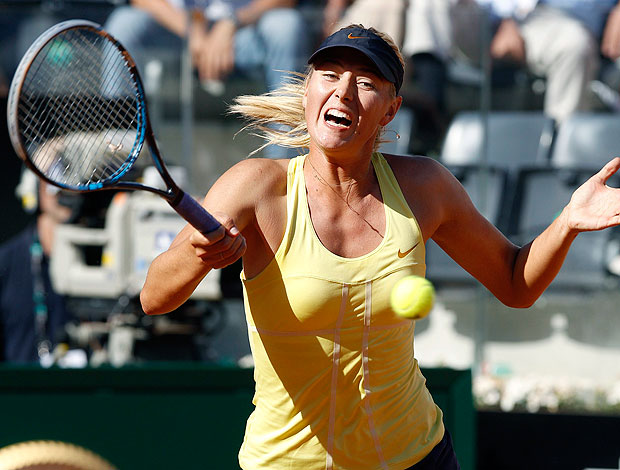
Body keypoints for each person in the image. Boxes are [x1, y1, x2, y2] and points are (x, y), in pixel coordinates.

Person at [140, 24, 620, 469]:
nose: (344, 91)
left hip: (415, 456)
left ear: (391, 109)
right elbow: (154, 298)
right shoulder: (254, 187)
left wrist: (568, 222)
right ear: (309, 89)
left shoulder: (425, 186)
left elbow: (517, 284)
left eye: (367, 82)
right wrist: (196, 255)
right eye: (329, 75)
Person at [403, 0, 620, 130]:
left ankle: (558, 146)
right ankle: (429, 112)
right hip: (489, 19)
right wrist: (507, 21)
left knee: (575, 45)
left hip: (556, 23)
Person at [104, 0, 310, 96]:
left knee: (286, 26)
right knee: (124, 24)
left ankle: (285, 162)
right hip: (174, 29)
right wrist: (191, 30)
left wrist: (231, 22)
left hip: (244, 31)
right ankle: (119, 153)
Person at [0, 170, 73, 363]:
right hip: (22, 390)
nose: (65, 192)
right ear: (34, 187)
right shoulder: (6, 262)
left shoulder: (109, 255)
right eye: (53, 182)